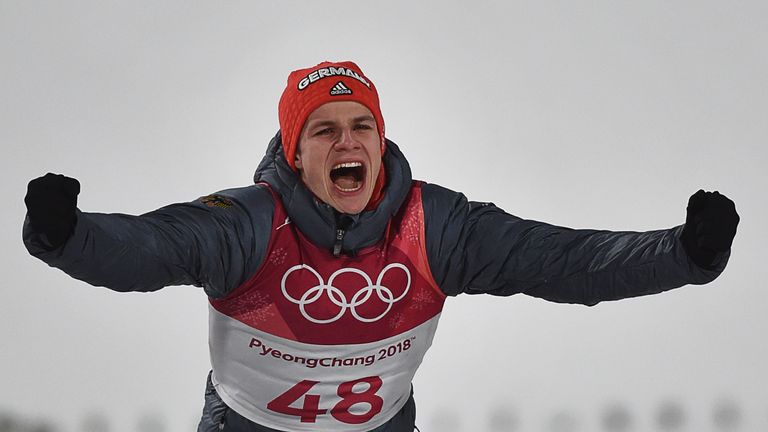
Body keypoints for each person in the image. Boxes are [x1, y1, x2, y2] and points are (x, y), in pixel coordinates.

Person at [23, 61, 739, 432]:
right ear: (295, 153)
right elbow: (146, 248)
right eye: (324, 128)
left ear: (380, 139)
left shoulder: (437, 226)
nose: (346, 141)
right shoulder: (247, 224)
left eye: (360, 124)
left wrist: (684, 253)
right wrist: (68, 235)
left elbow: (566, 263)